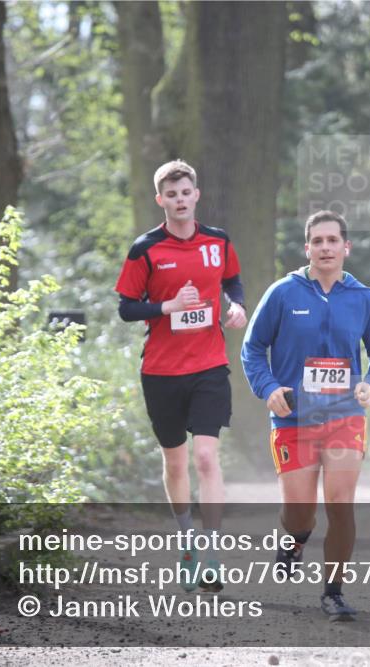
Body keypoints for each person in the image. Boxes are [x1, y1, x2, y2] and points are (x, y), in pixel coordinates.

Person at [241, 210, 370, 621]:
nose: (325, 248)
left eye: (333, 240)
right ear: (306, 248)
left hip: (345, 416)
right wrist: (269, 388)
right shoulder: (283, 293)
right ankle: (294, 539)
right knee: (300, 510)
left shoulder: (363, 298)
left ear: (346, 247)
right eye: (318, 241)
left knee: (341, 504)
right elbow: (252, 349)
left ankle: (334, 592)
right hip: (293, 418)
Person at [114, 159, 247, 593]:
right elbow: (126, 307)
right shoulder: (145, 248)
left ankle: (212, 553)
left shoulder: (218, 241)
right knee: (175, 462)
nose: (180, 200)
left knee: (206, 458)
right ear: (161, 200)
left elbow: (233, 280)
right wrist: (167, 307)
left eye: (186, 192)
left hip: (209, 364)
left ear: (196, 195)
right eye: (171, 195)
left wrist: (237, 306)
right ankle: (186, 540)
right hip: (161, 370)